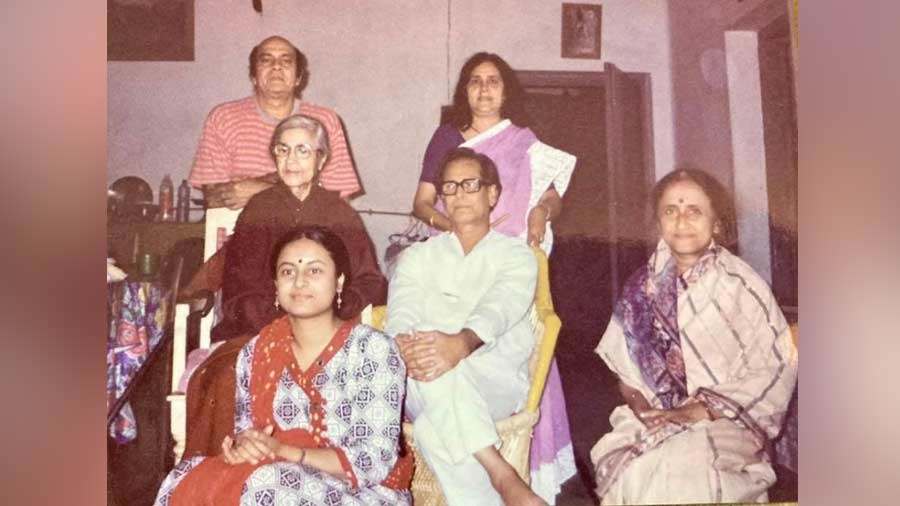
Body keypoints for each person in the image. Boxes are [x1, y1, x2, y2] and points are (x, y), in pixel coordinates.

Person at [153, 226, 412, 505]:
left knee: (267, 483)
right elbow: (249, 430)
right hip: (275, 476)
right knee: (186, 475)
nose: (299, 282)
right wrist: (245, 447)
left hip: (366, 492)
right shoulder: (257, 351)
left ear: (338, 282)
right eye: (288, 272)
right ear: (276, 286)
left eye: (314, 271)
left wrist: (286, 453)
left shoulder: (372, 349)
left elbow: (375, 461)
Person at [590, 169, 798, 504]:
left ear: (716, 223)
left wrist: (696, 412)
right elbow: (625, 375)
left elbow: (776, 368)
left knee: (685, 472)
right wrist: (645, 411)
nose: (682, 220)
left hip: (726, 421)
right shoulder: (640, 287)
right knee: (632, 469)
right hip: (653, 415)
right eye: (670, 210)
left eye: (694, 211)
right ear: (659, 224)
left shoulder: (740, 285)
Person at [386, 148, 546, 506]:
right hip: (422, 376)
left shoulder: (516, 255)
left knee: (432, 429)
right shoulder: (417, 256)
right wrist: (406, 348)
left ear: (492, 194)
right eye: (450, 187)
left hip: (494, 380)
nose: (458, 194)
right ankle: (502, 474)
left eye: (470, 184)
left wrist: (461, 343)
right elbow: (401, 314)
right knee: (433, 354)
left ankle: (496, 485)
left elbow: (500, 307)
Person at [212, 114, 386, 342]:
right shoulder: (258, 210)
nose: (291, 160)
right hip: (261, 330)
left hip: (327, 331)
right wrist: (282, 327)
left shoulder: (340, 213)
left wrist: (332, 314)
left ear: (321, 160)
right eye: (283, 150)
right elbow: (240, 288)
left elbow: (370, 282)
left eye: (302, 151)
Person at [412, 52, 575, 252]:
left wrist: (542, 211)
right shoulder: (446, 136)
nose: (484, 88)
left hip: (508, 248)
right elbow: (422, 203)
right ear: (466, 91)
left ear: (505, 92)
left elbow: (551, 197)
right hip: (452, 245)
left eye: (493, 81)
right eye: (475, 81)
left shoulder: (522, 140)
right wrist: (457, 230)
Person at [189, 35, 360, 209]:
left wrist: (260, 189)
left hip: (304, 232)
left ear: (299, 78)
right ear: (253, 76)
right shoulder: (223, 118)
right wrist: (295, 186)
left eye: (286, 62)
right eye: (266, 60)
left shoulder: (325, 121)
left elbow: (338, 201)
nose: (276, 66)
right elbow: (213, 197)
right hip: (240, 231)